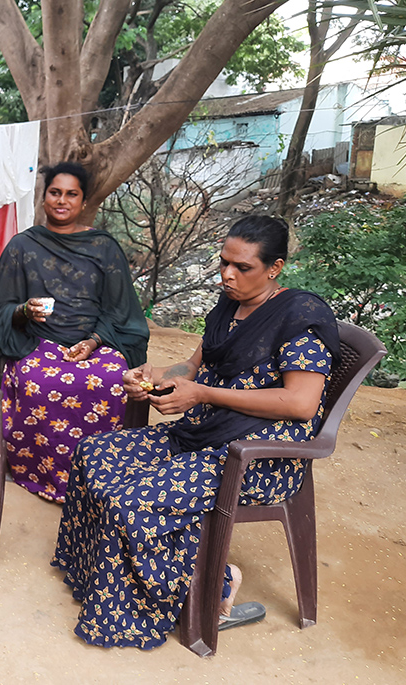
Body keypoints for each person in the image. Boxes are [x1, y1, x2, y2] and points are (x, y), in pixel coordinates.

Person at [52, 215, 340, 649]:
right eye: (224, 262)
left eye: (242, 267)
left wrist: (202, 394)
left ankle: (215, 585)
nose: (227, 274)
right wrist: (152, 376)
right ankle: (122, 577)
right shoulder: (229, 307)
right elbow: (191, 367)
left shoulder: (299, 316)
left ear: (275, 268)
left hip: (258, 455)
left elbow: (300, 403)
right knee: (96, 453)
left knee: (133, 500)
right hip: (207, 432)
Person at [0, 162, 149, 502]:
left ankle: (100, 476)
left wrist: (93, 341)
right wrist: (24, 311)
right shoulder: (22, 246)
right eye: (55, 192)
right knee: (36, 381)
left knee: (113, 378)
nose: (62, 200)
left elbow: (118, 310)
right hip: (36, 342)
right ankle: (37, 470)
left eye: (72, 194)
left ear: (83, 202)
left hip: (97, 341)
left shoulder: (103, 246)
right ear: (44, 198)